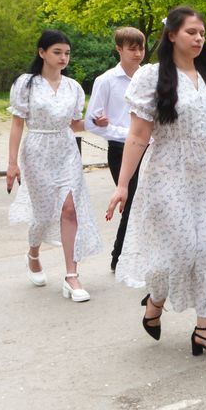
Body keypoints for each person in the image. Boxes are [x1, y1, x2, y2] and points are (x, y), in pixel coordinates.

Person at [106, 6, 206, 358]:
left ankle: (205, 330)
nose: (199, 39)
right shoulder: (151, 77)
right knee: (179, 250)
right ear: (171, 35)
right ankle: (155, 301)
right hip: (167, 173)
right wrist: (122, 184)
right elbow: (138, 135)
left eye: (202, 33)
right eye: (191, 32)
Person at [7, 30, 102, 301]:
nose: (63, 58)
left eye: (67, 53)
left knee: (70, 208)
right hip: (37, 150)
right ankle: (33, 253)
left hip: (66, 150)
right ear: (42, 53)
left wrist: (95, 123)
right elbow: (17, 124)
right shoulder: (26, 84)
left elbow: (74, 125)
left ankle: (72, 276)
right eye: (57, 52)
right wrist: (12, 163)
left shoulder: (73, 87)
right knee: (43, 212)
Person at [84, 27, 146, 272]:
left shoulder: (149, 77)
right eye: (132, 49)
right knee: (131, 201)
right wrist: (128, 134)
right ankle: (118, 257)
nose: (138, 54)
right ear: (119, 49)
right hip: (121, 150)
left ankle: (139, 254)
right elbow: (92, 122)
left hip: (150, 148)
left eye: (141, 48)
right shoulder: (106, 81)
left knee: (148, 202)